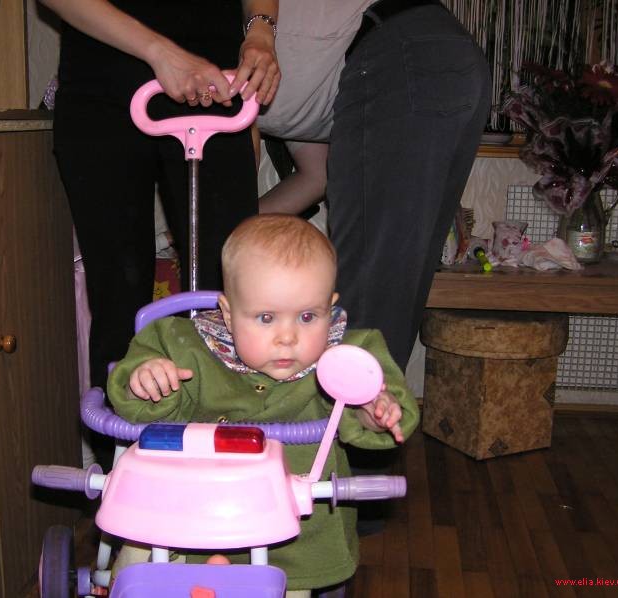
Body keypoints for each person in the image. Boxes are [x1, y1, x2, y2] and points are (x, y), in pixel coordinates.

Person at [107, 214, 419, 595]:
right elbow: (131, 391)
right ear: (227, 314)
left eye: (308, 316)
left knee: (289, 586)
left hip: (292, 538)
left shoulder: (346, 356)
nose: (287, 337)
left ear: (330, 306)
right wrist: (148, 380)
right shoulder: (183, 345)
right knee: (140, 552)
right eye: (266, 318)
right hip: (187, 517)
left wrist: (372, 409)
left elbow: (384, 398)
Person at [39, 0, 280, 395]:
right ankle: (126, 429)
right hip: (102, 87)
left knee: (235, 297)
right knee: (119, 308)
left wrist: (261, 30)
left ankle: (233, 429)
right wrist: (161, 52)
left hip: (215, 87)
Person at [256, 0, 492, 372]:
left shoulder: (234, 55)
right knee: (388, 300)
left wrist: (225, 232)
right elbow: (316, 176)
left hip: (400, 55)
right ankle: (366, 402)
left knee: (367, 300)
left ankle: (354, 405)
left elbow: (228, 182)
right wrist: (236, 227)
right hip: (436, 53)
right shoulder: (296, 92)